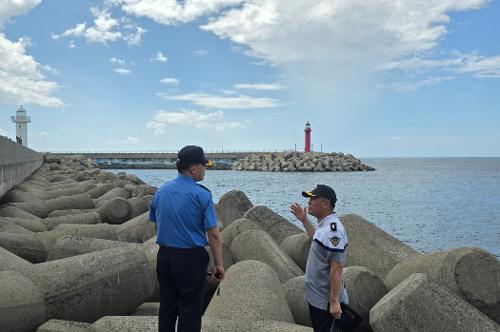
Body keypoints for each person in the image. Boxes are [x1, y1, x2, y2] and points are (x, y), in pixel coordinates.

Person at [149, 145, 225, 332]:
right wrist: (219, 264)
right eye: (203, 165)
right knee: (189, 311)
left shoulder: (162, 191)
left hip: (165, 257)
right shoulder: (202, 195)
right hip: (190, 259)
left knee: (167, 307)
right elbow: (213, 234)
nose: (205, 169)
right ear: (193, 169)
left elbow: (156, 221)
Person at [290, 184, 348, 332]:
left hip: (325, 301)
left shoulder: (333, 230)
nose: (309, 202)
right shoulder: (324, 226)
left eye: (312, 199)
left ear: (326, 203)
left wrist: (334, 302)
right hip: (317, 297)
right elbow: (317, 240)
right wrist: (304, 220)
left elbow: (337, 266)